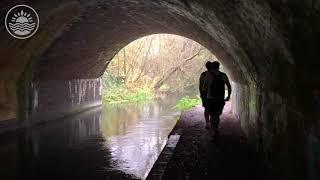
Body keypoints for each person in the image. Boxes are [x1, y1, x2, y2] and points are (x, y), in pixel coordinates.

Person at [205, 61, 231, 139]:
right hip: (220, 99)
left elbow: (204, 87)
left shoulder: (209, 75)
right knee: (217, 115)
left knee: (212, 115)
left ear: (212, 67)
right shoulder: (223, 75)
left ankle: (213, 131)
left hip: (211, 99)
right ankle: (215, 129)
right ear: (219, 66)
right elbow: (229, 86)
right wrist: (228, 96)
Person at [199, 61, 212, 129]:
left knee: (206, 109)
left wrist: (201, 93)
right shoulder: (213, 74)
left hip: (205, 94)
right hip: (212, 94)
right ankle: (211, 123)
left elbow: (200, 85)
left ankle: (207, 123)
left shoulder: (203, 74)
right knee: (212, 109)